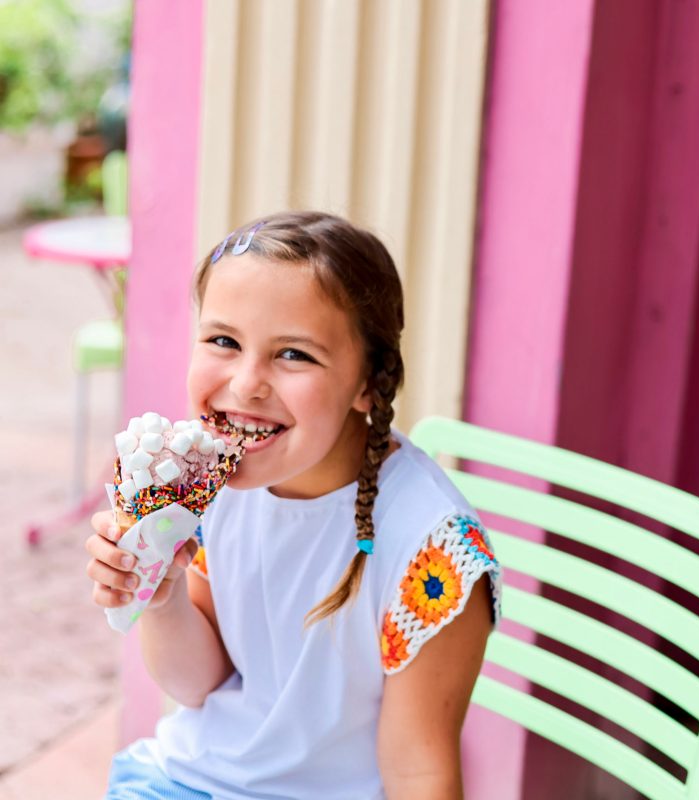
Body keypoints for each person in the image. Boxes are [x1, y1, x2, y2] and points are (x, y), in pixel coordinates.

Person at [85, 211, 502, 800]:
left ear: (368, 382)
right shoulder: (211, 477)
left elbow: (419, 775)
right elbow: (199, 685)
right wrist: (162, 594)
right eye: (224, 341)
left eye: (294, 355)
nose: (248, 383)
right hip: (181, 779)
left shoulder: (432, 552)